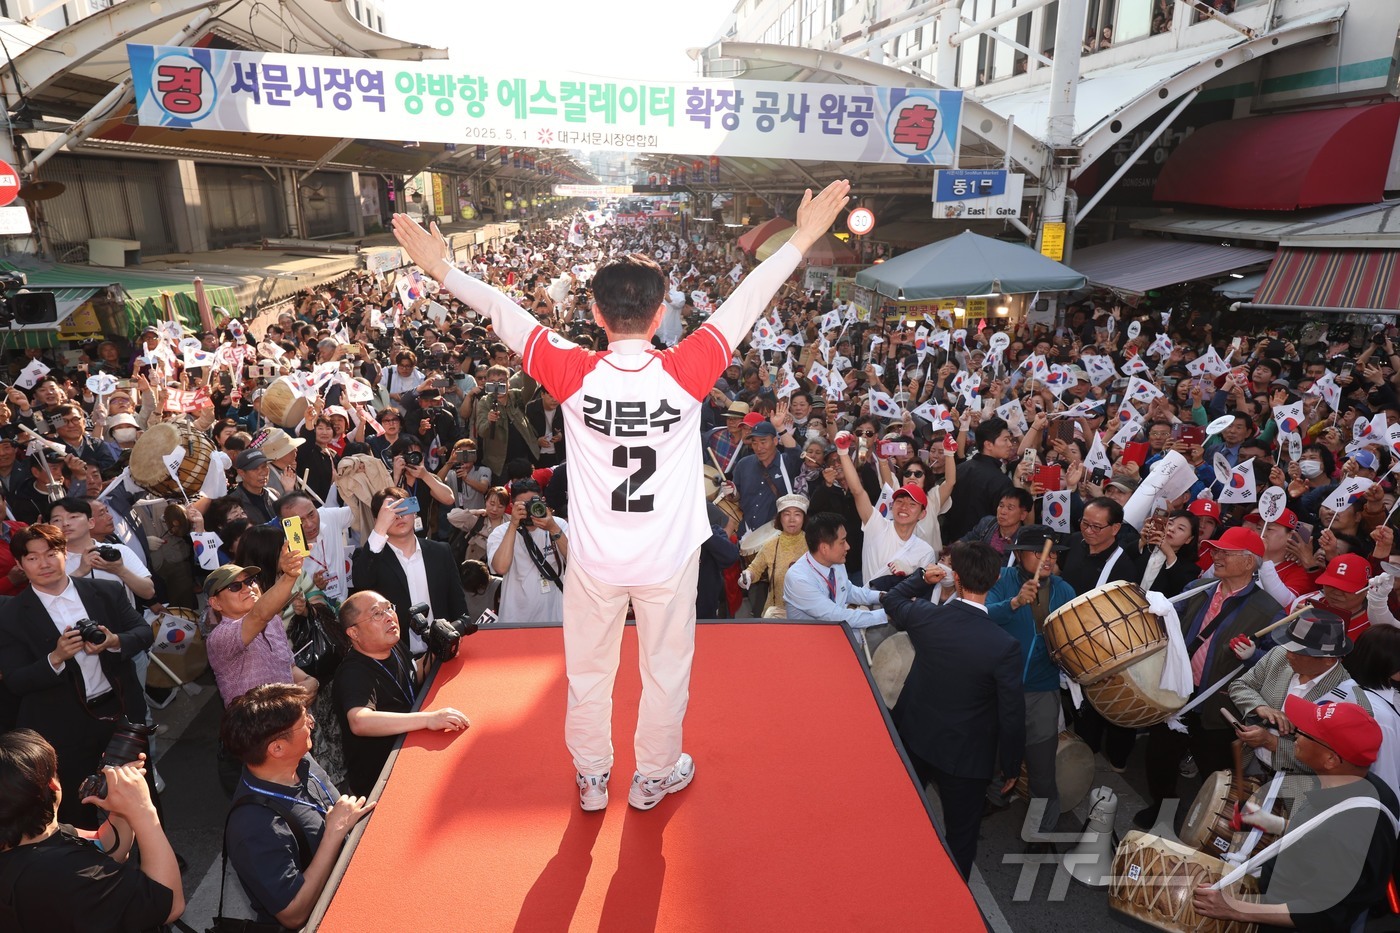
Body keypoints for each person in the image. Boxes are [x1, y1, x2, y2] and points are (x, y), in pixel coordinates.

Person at [393, 176, 852, 812]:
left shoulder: (571, 369)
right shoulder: (689, 368)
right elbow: (749, 300)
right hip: (666, 560)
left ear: (595, 313)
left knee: (588, 674)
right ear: (661, 313)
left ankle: (591, 777)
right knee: (665, 672)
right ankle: (655, 775)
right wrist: (801, 237)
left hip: (596, 559)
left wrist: (442, 267)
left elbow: (503, 311)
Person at [881, 541, 1025, 879]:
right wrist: (1011, 764)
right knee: (961, 836)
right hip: (966, 757)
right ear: (993, 582)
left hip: (916, 738)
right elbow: (1012, 713)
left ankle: (894, 873)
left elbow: (892, 599)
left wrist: (922, 578)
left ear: (955, 578)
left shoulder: (929, 618)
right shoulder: (1004, 646)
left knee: (904, 814)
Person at [1192, 696, 1400, 932]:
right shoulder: (1366, 787)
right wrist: (1272, 823)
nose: (1297, 733)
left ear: (1331, 759)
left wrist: (1232, 908)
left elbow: (1319, 913)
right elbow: (1318, 831)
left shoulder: (1347, 834)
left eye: (1308, 733)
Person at [0, 524, 153, 827]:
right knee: (74, 805)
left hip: (118, 711)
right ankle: (90, 868)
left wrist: (114, 642)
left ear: (65, 553)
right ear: (19, 564)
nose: (43, 563)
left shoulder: (105, 591)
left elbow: (143, 631)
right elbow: (16, 679)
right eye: (32, 558)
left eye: (51, 553)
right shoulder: (10, 614)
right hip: (60, 724)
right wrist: (55, 658)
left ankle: (154, 851)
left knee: (138, 791)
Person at [1136, 525, 1280, 828]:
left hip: (1220, 704)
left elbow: (1279, 666)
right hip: (1177, 692)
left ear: (1249, 562)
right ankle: (1162, 807)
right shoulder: (1197, 588)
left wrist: (1253, 656)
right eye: (1215, 549)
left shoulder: (1269, 610)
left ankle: (1209, 823)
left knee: (1216, 771)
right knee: (1159, 758)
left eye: (1225, 552)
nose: (1216, 555)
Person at [221, 683, 374, 930]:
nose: (312, 723)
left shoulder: (301, 760)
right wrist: (334, 834)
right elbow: (293, 914)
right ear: (277, 748)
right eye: (304, 722)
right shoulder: (253, 827)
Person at [0, 730, 183, 932]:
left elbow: (104, 845)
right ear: (52, 785)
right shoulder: (73, 874)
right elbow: (169, 904)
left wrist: (120, 804)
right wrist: (143, 810)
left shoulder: (30, 840)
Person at [985, 526, 1075, 844]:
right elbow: (981, 617)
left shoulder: (1065, 591)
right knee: (992, 753)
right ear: (1020, 554)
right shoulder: (1001, 580)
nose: (1047, 559)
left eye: (1051, 553)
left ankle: (1041, 830)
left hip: (1042, 690)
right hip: (1000, 686)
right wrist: (1013, 603)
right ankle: (993, 800)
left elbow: (1075, 637)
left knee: (1041, 766)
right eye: (1039, 553)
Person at [332, 592, 470, 796]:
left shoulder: (393, 645)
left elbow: (414, 673)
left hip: (412, 758)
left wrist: (438, 651)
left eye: (389, 608)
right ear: (354, 633)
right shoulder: (353, 673)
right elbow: (360, 721)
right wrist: (429, 719)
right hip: (381, 785)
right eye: (377, 614)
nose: (389, 616)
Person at [351, 488, 471, 657]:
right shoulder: (370, 556)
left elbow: (458, 605)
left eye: (404, 508)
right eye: (391, 512)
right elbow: (361, 581)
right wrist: (379, 531)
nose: (399, 516)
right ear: (378, 520)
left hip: (441, 654)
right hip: (396, 658)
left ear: (415, 512)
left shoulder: (440, 551)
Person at [487, 479, 568, 624]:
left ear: (543, 501)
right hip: (515, 618)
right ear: (512, 506)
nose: (529, 509)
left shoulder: (558, 524)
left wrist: (553, 528)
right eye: (523, 506)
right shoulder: (501, 532)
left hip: (554, 617)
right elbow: (500, 567)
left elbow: (575, 560)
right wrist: (513, 525)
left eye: (533, 503)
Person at [941, 417, 1014, 543]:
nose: (1010, 444)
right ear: (988, 444)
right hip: (980, 549)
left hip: (951, 544)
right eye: (1005, 440)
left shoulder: (959, 469)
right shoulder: (1001, 481)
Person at [738, 493, 808, 618]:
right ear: (780, 518)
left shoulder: (812, 543)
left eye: (797, 514)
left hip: (807, 613)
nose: (792, 519)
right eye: (787, 514)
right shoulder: (771, 544)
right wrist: (748, 575)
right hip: (776, 612)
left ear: (804, 518)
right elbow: (755, 568)